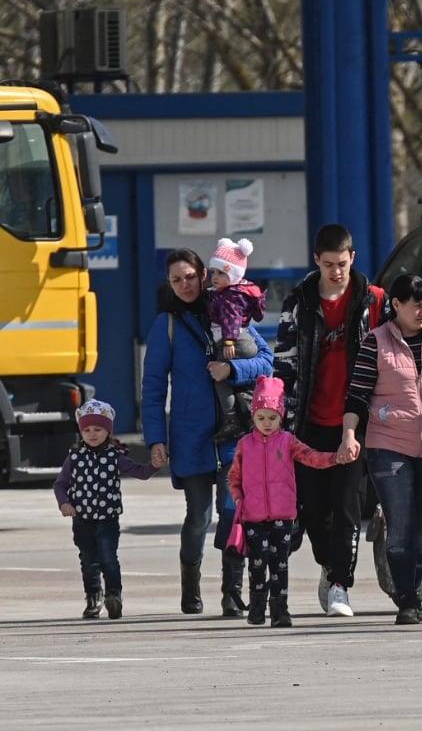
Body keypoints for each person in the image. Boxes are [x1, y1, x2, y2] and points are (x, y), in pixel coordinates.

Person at [142, 248, 274, 617]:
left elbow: (267, 361)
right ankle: (190, 584)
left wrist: (233, 372)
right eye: (176, 279)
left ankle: (232, 592)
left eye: (190, 276)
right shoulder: (166, 325)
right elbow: (152, 388)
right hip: (191, 436)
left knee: (233, 512)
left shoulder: (232, 310)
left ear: (204, 274)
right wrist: (156, 440)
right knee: (198, 515)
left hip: (235, 433)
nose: (185, 284)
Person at [274, 223, 385, 618]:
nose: (336, 272)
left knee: (348, 506)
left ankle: (341, 584)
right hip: (309, 421)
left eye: (342, 263)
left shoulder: (373, 301)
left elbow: (394, 356)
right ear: (316, 261)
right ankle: (329, 565)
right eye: (328, 265)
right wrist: (280, 422)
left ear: (352, 258)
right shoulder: (299, 301)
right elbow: (284, 361)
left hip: (355, 421)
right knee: (312, 509)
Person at [341, 273, 422, 626]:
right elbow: (357, 395)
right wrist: (349, 434)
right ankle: (407, 598)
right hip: (388, 445)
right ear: (396, 305)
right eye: (414, 304)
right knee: (401, 525)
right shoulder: (375, 342)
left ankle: (412, 582)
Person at [227, 376, 354, 627]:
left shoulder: (287, 441)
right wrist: (240, 499)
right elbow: (234, 476)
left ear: (281, 417)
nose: (266, 423)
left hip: (283, 516)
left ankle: (280, 610)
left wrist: (334, 459)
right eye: (261, 418)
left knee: (280, 564)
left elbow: (311, 457)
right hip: (253, 516)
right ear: (253, 416)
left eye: (272, 418)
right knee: (257, 563)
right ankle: (257, 605)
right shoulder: (245, 445)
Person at [53, 400, 159, 620]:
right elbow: (60, 484)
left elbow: (139, 472)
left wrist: (155, 465)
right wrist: (64, 503)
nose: (92, 434)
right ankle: (93, 597)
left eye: (98, 429)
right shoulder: (74, 458)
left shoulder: (114, 456)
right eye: (87, 430)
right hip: (82, 519)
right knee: (89, 560)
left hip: (108, 519)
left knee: (108, 557)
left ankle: (114, 595)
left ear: (108, 431)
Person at [206, 237, 267, 442]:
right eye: (213, 272)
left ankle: (231, 419)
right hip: (245, 339)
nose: (214, 277)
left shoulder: (229, 296)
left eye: (221, 273)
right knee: (239, 384)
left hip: (235, 341)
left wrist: (229, 341)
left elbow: (231, 317)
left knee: (220, 379)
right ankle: (249, 414)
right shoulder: (238, 291)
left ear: (233, 274)